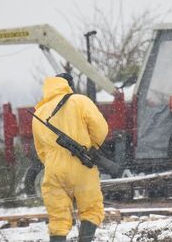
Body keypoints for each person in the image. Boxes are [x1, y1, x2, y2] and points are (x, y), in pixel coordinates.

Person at [32, 73, 109, 242]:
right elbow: (100, 129)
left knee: (58, 217)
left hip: (53, 169)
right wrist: (92, 147)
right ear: (69, 85)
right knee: (91, 210)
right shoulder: (80, 101)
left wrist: (54, 161)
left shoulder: (40, 112)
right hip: (82, 164)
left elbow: (40, 150)